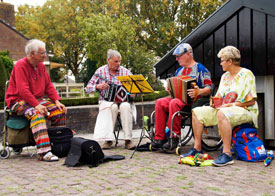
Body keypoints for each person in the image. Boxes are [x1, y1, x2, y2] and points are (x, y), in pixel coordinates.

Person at [182, 45, 258, 166]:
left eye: (222, 60)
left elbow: (251, 101)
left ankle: (227, 154)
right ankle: (197, 148)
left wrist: (230, 105)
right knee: (197, 111)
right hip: (223, 109)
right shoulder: (224, 77)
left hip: (244, 110)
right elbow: (219, 97)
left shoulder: (246, 74)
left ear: (230, 61)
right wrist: (213, 102)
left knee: (223, 113)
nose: (220, 63)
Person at [5, 39, 67, 162]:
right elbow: (23, 90)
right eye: (42, 53)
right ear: (32, 54)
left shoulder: (41, 66)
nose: (45, 55)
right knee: (36, 113)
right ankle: (45, 152)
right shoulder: (20, 65)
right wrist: (37, 105)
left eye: (45, 52)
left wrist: (57, 101)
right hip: (17, 100)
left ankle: (58, 145)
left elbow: (48, 85)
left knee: (59, 112)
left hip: (36, 99)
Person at [152, 43, 212, 150]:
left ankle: (174, 137)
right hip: (178, 100)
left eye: (179, 56)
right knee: (160, 102)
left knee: (174, 102)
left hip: (193, 101)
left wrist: (199, 91)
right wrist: (170, 89)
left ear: (188, 54)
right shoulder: (178, 71)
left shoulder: (200, 69)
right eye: (176, 57)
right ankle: (159, 138)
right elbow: (174, 93)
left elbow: (209, 88)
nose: (177, 59)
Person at [85, 49, 136, 150]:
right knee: (111, 107)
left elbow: (134, 89)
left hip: (123, 101)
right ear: (108, 60)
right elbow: (88, 88)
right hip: (106, 101)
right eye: (116, 61)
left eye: (119, 61)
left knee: (125, 106)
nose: (118, 64)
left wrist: (133, 93)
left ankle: (128, 140)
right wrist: (98, 87)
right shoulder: (100, 71)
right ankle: (108, 139)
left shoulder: (125, 72)